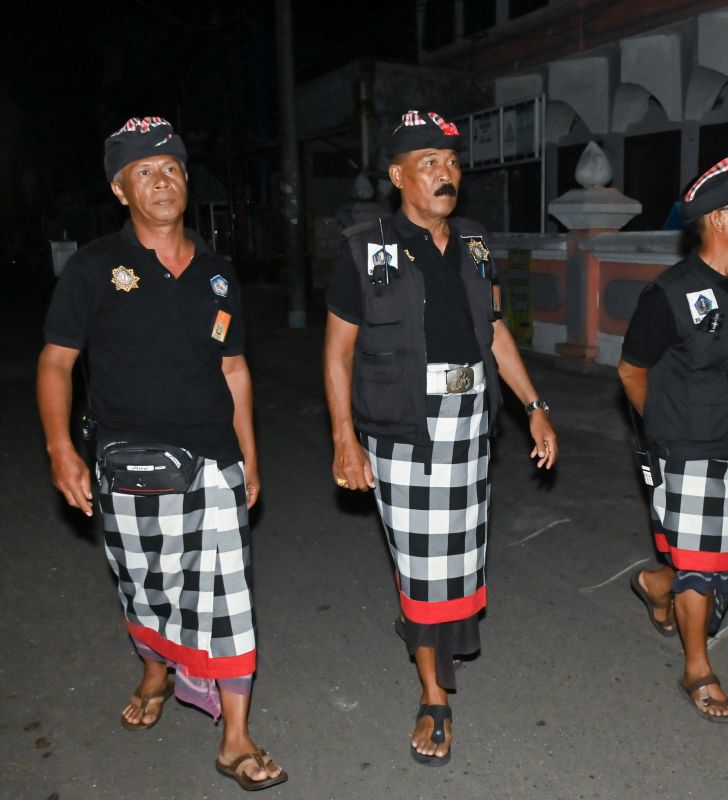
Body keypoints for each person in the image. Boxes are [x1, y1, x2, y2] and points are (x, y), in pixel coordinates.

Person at [36, 117, 286, 791]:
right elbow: (57, 364)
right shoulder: (93, 269)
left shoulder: (217, 273)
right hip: (130, 464)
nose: (162, 180)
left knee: (230, 596)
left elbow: (235, 370)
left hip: (213, 459)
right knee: (149, 590)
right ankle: (155, 670)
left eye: (171, 167)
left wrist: (250, 457)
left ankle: (235, 739)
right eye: (144, 170)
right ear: (121, 189)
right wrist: (62, 451)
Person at [324, 110, 558, 764]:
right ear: (398, 175)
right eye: (429, 163)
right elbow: (338, 351)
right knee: (422, 566)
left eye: (452, 163)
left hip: (470, 421)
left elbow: (495, 332)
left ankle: (440, 658)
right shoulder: (364, 248)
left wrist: (534, 405)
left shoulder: (477, 243)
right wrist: (344, 437)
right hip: (403, 422)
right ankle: (434, 692)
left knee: (460, 559)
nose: (445, 174)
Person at [618, 155, 728, 724]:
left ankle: (654, 583)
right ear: (715, 219)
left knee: (719, 567)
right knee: (701, 568)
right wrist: (664, 425)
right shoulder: (669, 295)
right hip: (686, 451)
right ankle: (696, 668)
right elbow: (631, 371)